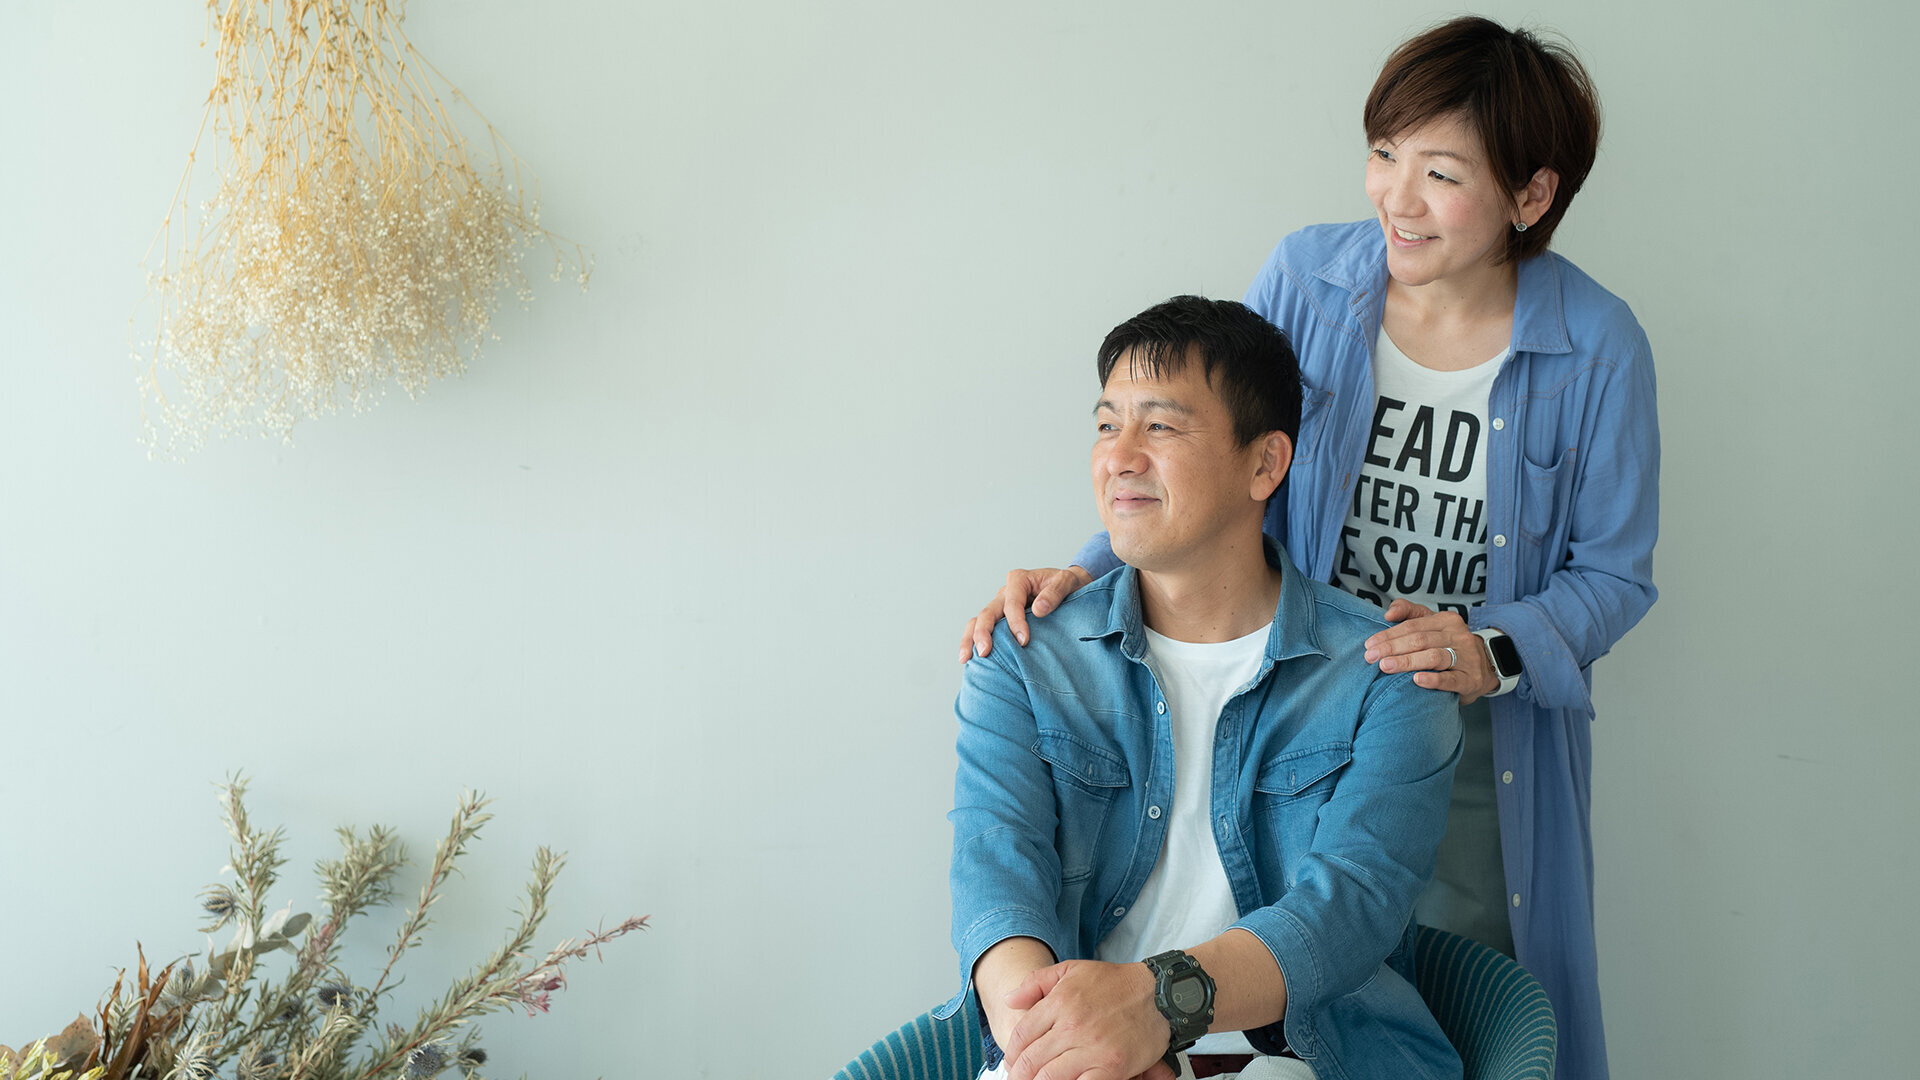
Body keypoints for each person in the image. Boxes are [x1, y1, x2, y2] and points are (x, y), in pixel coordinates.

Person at [957, 18, 1657, 1080]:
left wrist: (1488, 650)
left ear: (1531, 194)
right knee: (1272, 949)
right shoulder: (1310, 277)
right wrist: (1086, 578)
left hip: (1464, 723)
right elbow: (1213, 437)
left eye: (1441, 174)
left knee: (1421, 981)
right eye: (1384, 154)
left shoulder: (1597, 346)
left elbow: (1612, 573)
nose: (1397, 198)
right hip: (1288, 692)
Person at [942, 295, 1463, 1080]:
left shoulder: (1388, 675)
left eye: (1160, 427)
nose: (1119, 457)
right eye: (1107, 425)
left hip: (1307, 1061)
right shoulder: (1020, 654)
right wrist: (1055, 1046)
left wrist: (1157, 1007)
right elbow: (995, 876)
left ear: (1265, 464)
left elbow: (1349, 910)